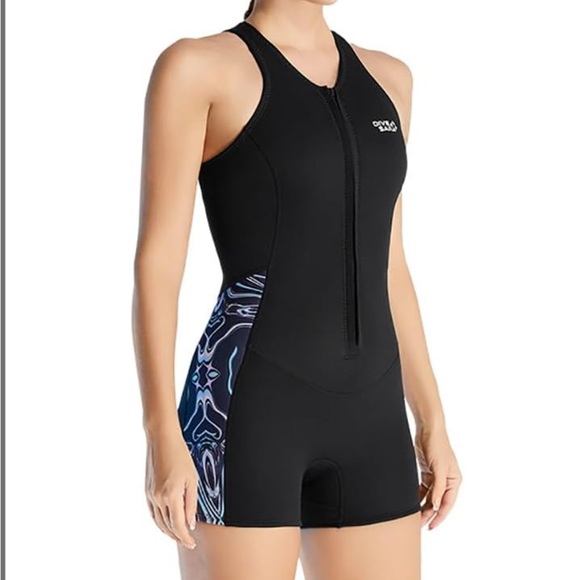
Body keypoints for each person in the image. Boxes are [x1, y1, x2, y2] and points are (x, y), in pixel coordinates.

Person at [132, 0, 462, 578]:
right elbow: (158, 265)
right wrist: (161, 431)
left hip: (374, 420)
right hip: (248, 413)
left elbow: (389, 263)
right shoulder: (199, 68)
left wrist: (432, 418)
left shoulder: (389, 80)